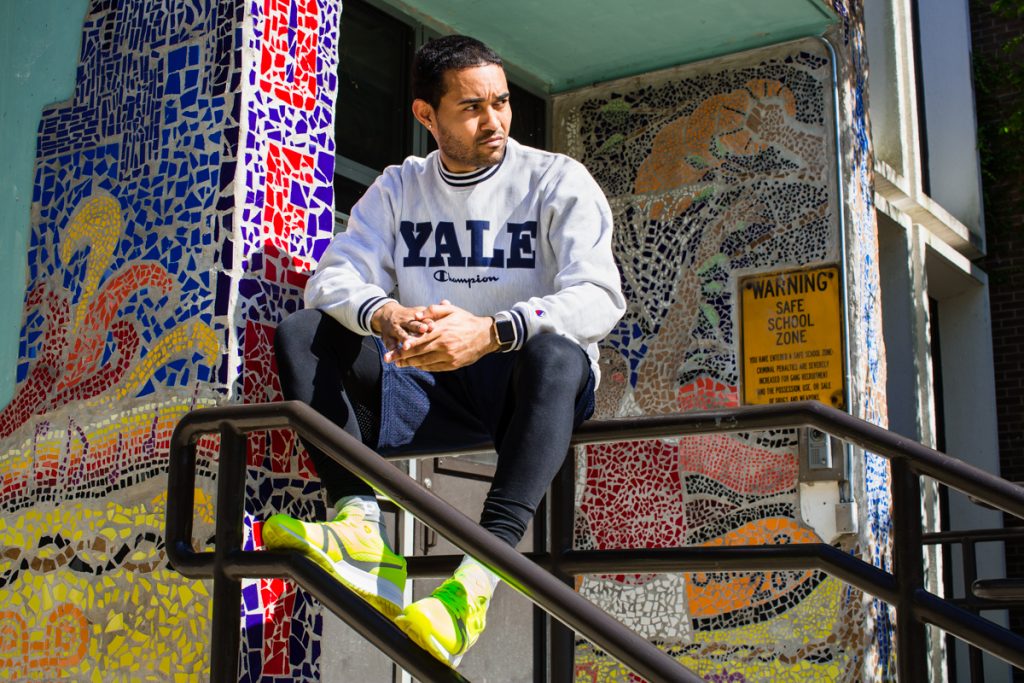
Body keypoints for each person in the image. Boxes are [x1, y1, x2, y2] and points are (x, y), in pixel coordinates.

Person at [264, 34, 625, 668]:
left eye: (502, 102)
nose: (495, 121)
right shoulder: (400, 187)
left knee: (558, 355)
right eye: (472, 108)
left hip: (528, 388)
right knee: (303, 332)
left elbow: (599, 296)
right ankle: (360, 534)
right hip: (428, 384)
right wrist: (386, 312)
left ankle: (475, 584)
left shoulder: (554, 180)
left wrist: (492, 331)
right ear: (426, 116)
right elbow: (332, 278)